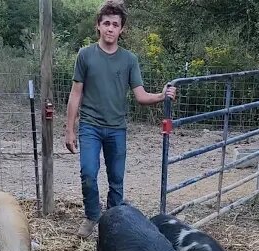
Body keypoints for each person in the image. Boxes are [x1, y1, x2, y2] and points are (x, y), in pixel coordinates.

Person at [63, 0, 177, 238]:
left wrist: (161, 95)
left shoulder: (129, 60)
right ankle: (92, 214)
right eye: (106, 23)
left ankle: (114, 223)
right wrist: (69, 130)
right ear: (98, 26)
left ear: (121, 29)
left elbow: (140, 95)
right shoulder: (85, 55)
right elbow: (75, 94)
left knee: (116, 180)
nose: (110, 28)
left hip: (117, 128)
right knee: (88, 172)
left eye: (115, 24)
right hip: (90, 127)